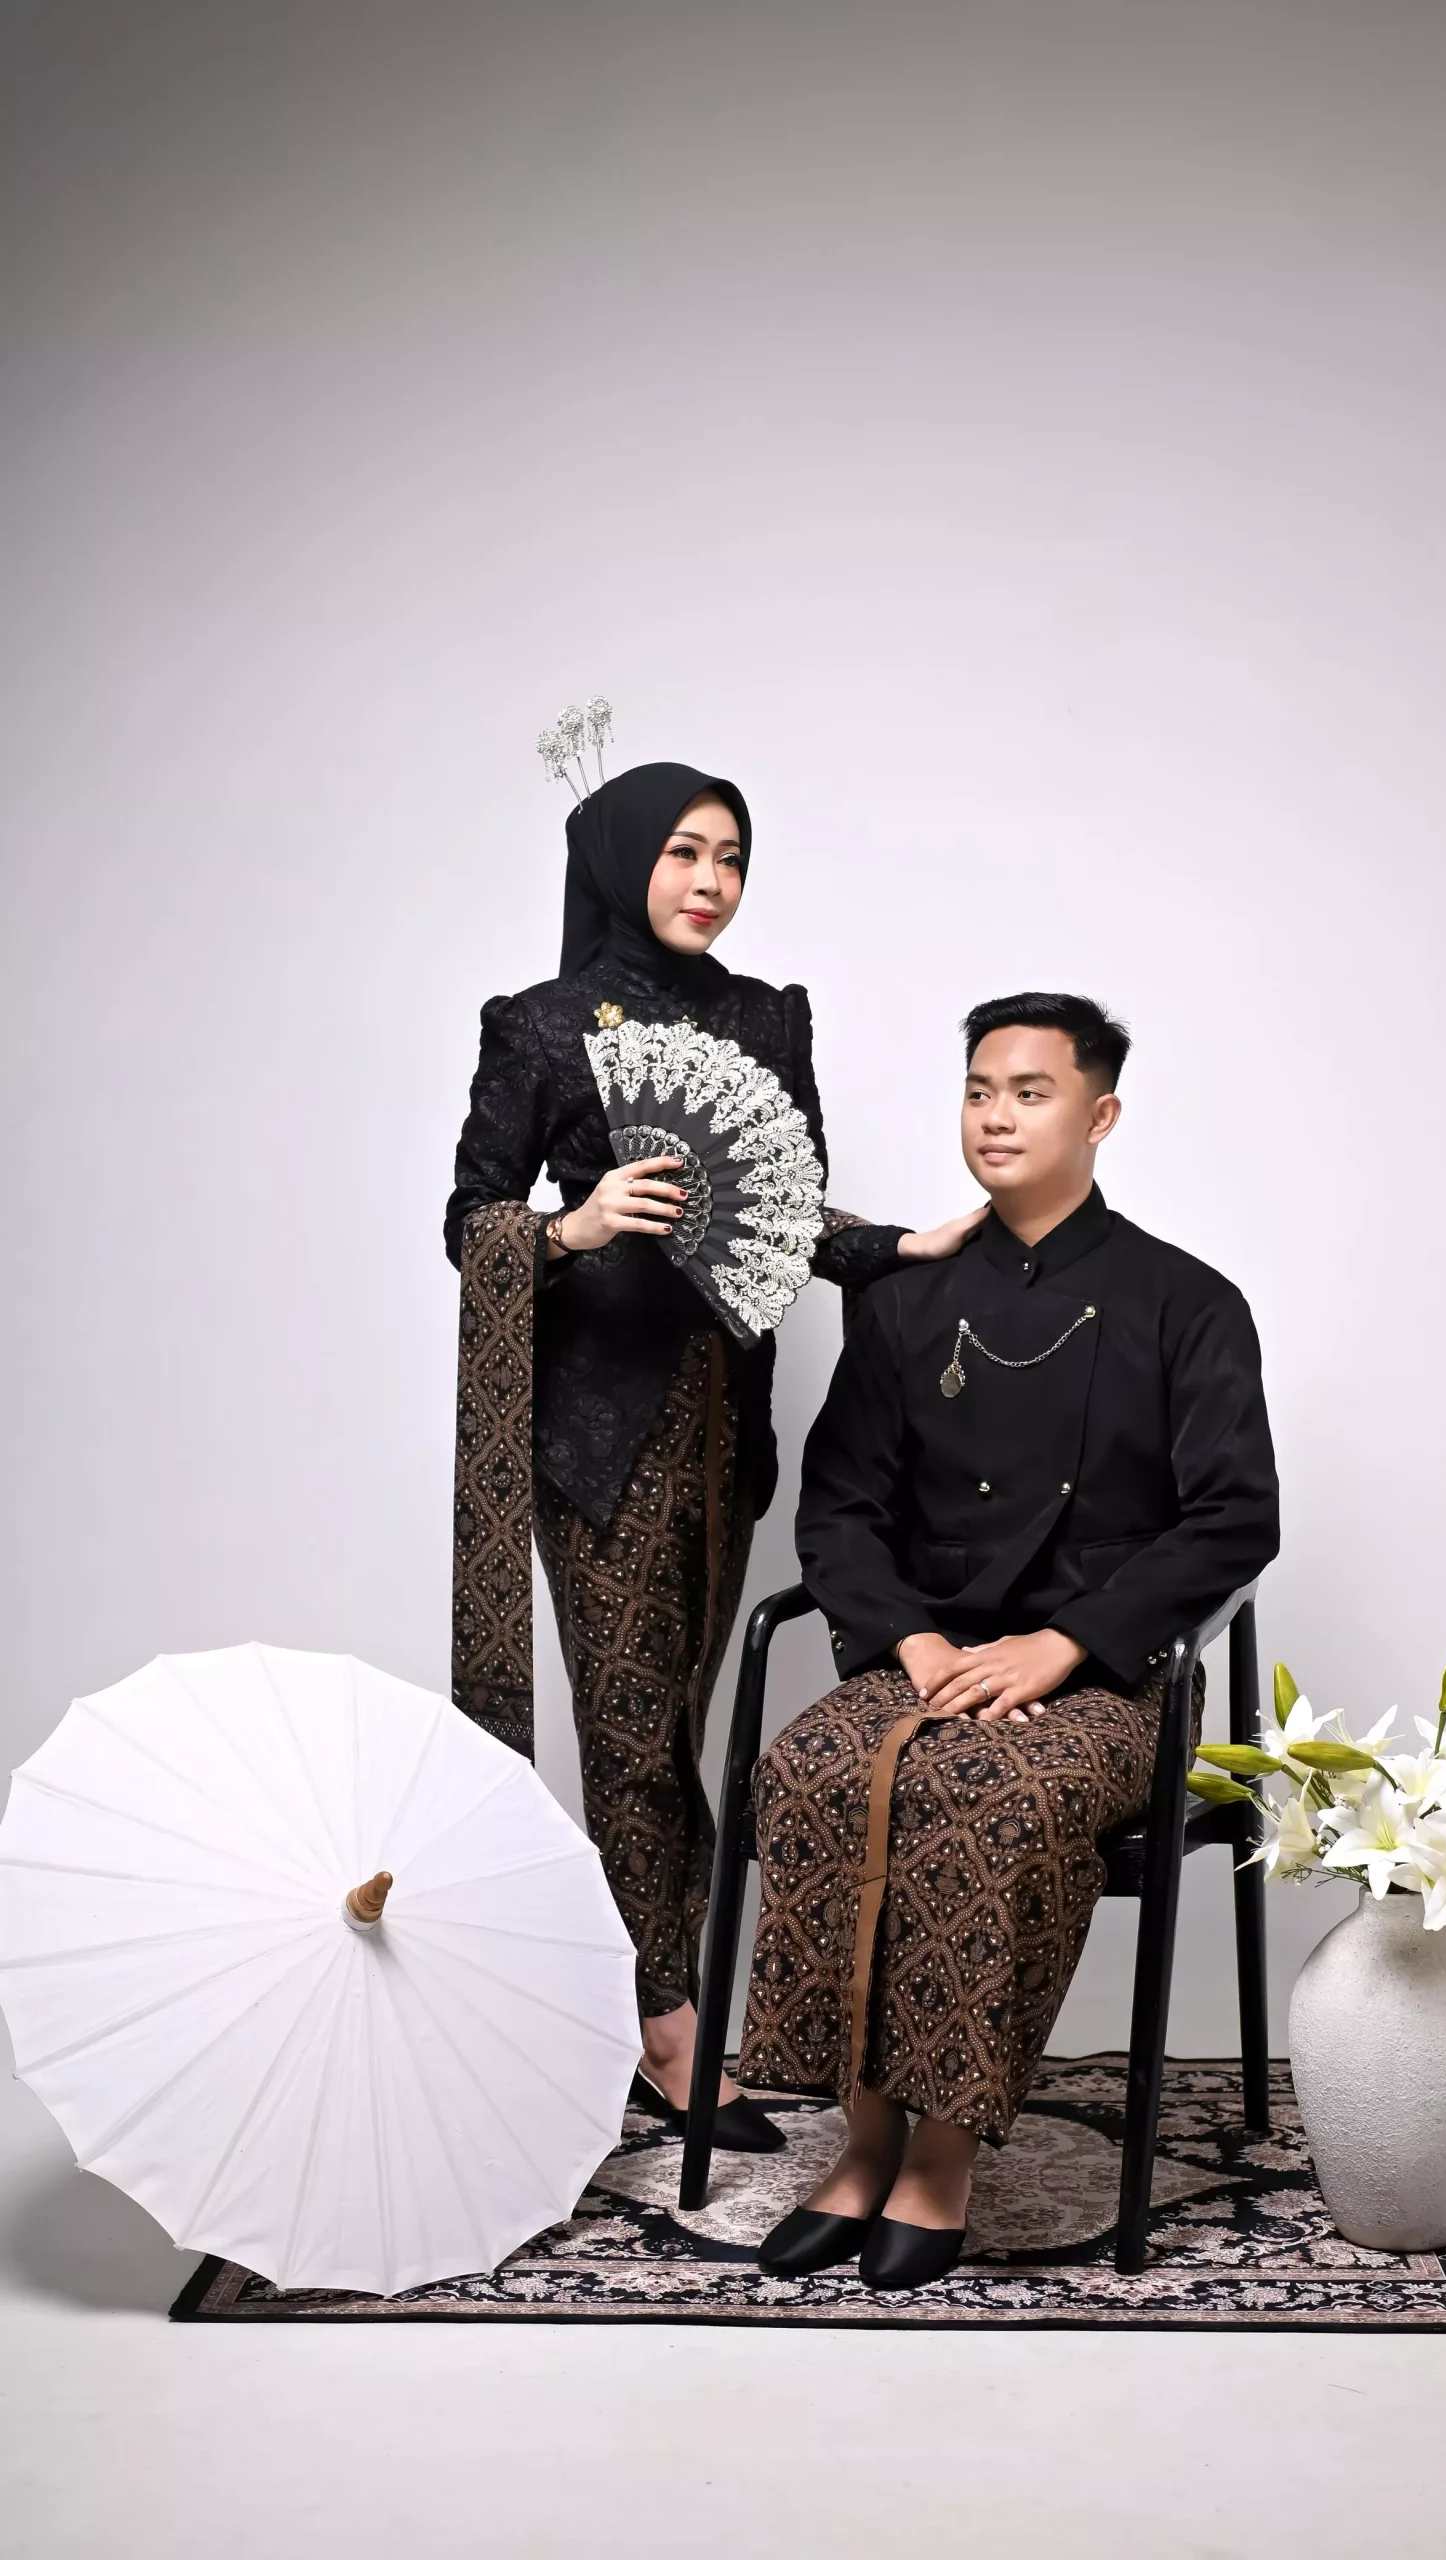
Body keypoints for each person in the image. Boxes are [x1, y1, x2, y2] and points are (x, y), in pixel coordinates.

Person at [445, 762, 980, 2150]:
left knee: (680, 1719)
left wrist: (903, 1245)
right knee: (630, 1733)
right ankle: (667, 2026)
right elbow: (469, 1218)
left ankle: (653, 1990)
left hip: (725, 1426)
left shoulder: (762, 1019)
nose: (711, 882)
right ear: (623, 859)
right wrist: (570, 1227)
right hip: (596, 1434)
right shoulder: (541, 1025)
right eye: (684, 852)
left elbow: (783, 1210)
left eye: (732, 857)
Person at [739, 990, 1280, 2284]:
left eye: (1030, 1093)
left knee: (993, 1792)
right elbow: (841, 1505)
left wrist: (1067, 1643)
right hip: (925, 1655)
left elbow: (1234, 1519)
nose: (995, 1116)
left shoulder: (1186, 1301)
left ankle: (940, 2159)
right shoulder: (907, 1300)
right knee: (808, 1767)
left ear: (1099, 1116)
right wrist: (911, 1644)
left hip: (1105, 1681)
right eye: (980, 1090)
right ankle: (861, 2140)